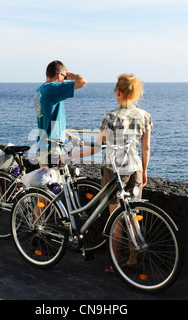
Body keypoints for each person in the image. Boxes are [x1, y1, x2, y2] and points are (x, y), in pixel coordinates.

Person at [64, 73, 152, 274]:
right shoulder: (145, 116)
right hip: (136, 169)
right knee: (132, 214)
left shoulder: (110, 117)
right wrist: (145, 171)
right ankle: (133, 259)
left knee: (116, 218)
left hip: (115, 172)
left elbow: (96, 148)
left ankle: (115, 264)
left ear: (118, 92)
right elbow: (146, 149)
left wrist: (70, 157)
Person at [34, 60, 87, 168]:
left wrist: (70, 136)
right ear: (59, 75)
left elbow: (50, 122)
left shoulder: (40, 91)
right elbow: (82, 81)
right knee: (57, 184)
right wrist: (71, 75)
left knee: (49, 184)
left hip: (44, 147)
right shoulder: (52, 88)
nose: (64, 81)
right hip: (52, 149)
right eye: (64, 77)